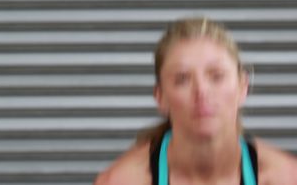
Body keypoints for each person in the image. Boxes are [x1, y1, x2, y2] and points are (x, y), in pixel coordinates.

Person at [95, 17, 297, 185]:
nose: (201, 91)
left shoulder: (286, 177)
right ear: (160, 97)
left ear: (243, 87)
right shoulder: (121, 181)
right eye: (182, 79)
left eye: (216, 76)